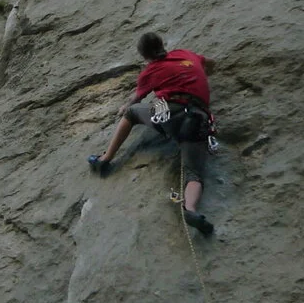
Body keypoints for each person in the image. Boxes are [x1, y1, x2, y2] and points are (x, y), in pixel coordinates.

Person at [88, 33, 218, 235]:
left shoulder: (150, 71)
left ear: (144, 56)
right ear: (162, 45)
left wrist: (124, 107)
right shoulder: (184, 54)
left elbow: (136, 98)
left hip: (169, 112)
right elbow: (210, 63)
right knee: (194, 173)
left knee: (133, 113)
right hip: (198, 118)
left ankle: (105, 158)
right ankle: (190, 209)